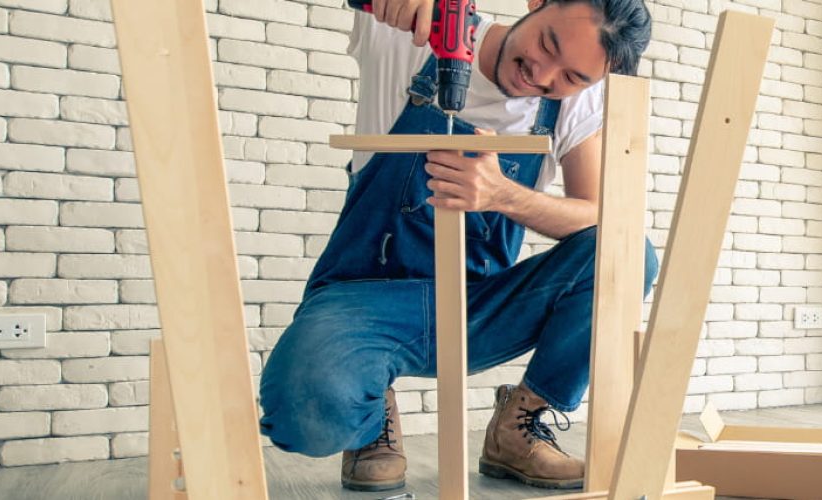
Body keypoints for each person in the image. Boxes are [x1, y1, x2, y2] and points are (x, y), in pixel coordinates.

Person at [255, 0, 656, 491]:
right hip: (363, 300)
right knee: (302, 415)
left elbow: (604, 214)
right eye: (548, 43)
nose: (543, 75)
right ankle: (369, 410)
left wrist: (503, 195)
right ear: (537, 4)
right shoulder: (411, 40)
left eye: (572, 76)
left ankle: (517, 428)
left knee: (627, 253)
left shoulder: (573, 104)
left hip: (476, 308)